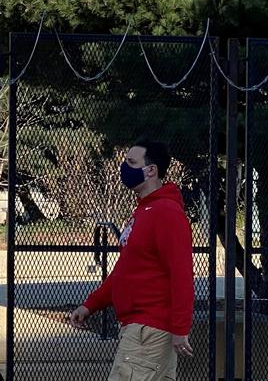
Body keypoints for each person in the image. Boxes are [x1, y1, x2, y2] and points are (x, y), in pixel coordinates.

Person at [70, 139, 195, 380]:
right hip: (140, 328)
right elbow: (126, 270)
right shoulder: (143, 212)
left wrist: (181, 328)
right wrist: (91, 304)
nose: (124, 168)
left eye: (131, 162)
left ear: (151, 170)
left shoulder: (165, 213)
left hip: (148, 330)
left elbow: (181, 275)